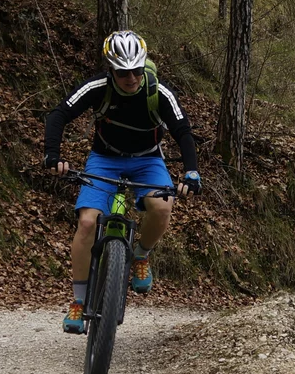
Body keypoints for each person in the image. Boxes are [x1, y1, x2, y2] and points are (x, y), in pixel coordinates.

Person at [43, 30, 200, 333]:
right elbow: (59, 115)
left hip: (148, 159)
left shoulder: (158, 92)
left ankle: (141, 254)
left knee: (163, 207)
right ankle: (78, 301)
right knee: (88, 223)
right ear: (111, 70)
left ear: (143, 66)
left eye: (136, 70)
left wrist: (191, 171)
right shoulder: (97, 88)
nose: (131, 78)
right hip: (105, 158)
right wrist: (53, 155)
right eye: (123, 72)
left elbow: (182, 130)